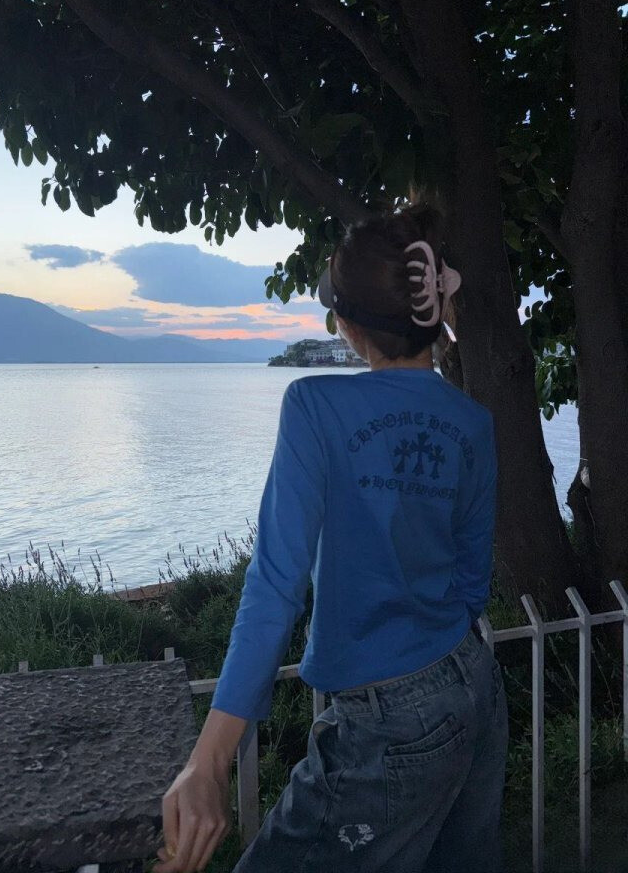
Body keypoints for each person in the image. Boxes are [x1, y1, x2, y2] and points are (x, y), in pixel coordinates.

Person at [154, 204, 509, 873]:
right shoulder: (472, 421)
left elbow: (276, 585)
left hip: (386, 721)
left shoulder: (315, 408)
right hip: (472, 682)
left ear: (347, 327)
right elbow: (471, 581)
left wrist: (209, 762)